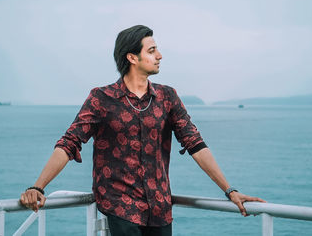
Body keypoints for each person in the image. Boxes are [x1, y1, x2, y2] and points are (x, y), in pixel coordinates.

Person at [20, 25, 265, 236]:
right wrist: (38, 187)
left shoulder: (167, 97)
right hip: (120, 207)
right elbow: (69, 143)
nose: (160, 55)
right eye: (151, 50)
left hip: (160, 209)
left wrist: (230, 190)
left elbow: (196, 144)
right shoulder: (102, 98)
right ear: (132, 58)